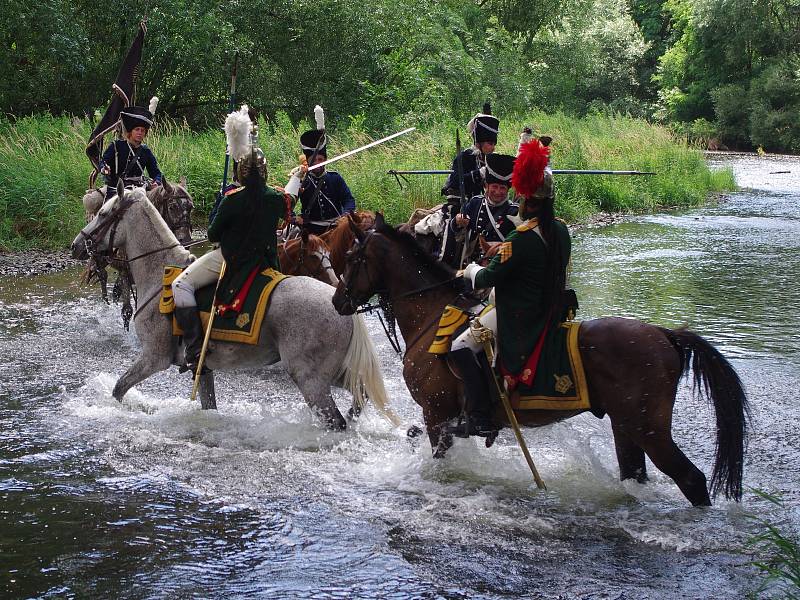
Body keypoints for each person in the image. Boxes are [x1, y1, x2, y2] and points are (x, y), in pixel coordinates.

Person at [448, 139, 570, 436]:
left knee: (459, 346)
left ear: (527, 200)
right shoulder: (561, 230)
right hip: (552, 308)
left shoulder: (522, 237)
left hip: (518, 313)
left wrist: (469, 269)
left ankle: (479, 416)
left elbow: (487, 279)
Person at [171, 105, 285, 373]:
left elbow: (212, 233)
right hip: (267, 261)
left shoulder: (232, 199)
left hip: (232, 259)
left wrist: (223, 201)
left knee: (180, 286)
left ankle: (195, 347)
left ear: (240, 172)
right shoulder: (276, 198)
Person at [438, 102, 500, 266]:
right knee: (451, 243)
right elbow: (455, 181)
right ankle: (446, 266)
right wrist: (477, 174)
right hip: (460, 204)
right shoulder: (465, 156)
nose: (493, 147)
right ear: (480, 142)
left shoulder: (488, 159)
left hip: (482, 205)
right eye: (490, 144)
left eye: (494, 144)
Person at [285, 105, 356, 236]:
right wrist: (295, 219)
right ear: (308, 161)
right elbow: (287, 203)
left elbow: (349, 200)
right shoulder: (302, 180)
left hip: (336, 228)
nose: (318, 163)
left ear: (325, 159)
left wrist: (345, 215)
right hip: (311, 230)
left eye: (320, 159)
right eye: (314, 159)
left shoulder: (335, 178)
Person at [447, 152, 518, 265]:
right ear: (486, 186)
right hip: (473, 263)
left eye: (502, 188)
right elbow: (455, 229)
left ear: (508, 189)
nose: (498, 192)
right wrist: (458, 221)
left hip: (502, 265)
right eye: (494, 186)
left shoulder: (514, 211)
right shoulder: (475, 203)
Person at [99, 98, 162, 200]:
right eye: (137, 129)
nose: (140, 133)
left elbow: (156, 173)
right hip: (116, 188)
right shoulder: (116, 146)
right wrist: (104, 168)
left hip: (139, 190)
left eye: (142, 130)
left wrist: (157, 181)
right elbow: (103, 162)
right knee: (107, 213)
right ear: (130, 131)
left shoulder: (145, 151)